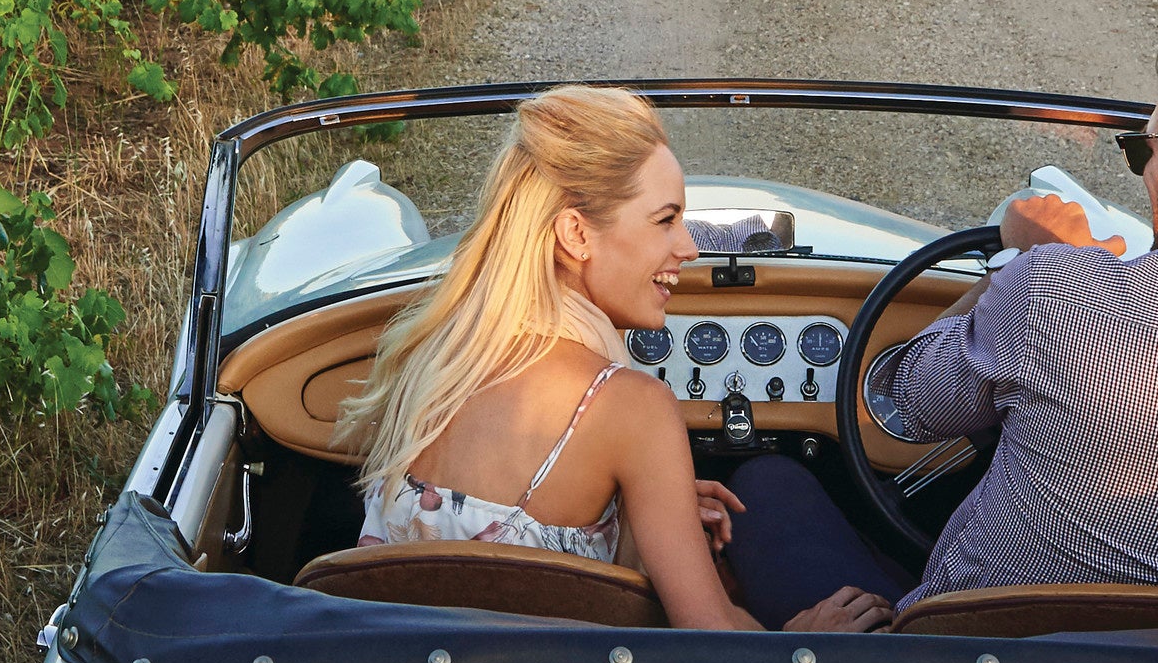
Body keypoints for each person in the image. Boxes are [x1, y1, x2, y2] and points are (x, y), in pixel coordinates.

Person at [716, 14, 1158, 628]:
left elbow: (897, 402)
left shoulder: (1054, 294)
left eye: (1147, 148)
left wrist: (1028, 261)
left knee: (766, 481)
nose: (1143, 169)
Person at [333, 84, 893, 634]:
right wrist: (809, 645)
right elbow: (710, 634)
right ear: (575, 233)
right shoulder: (631, 408)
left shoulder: (430, 356)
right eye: (665, 220)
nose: (690, 248)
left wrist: (642, 509)